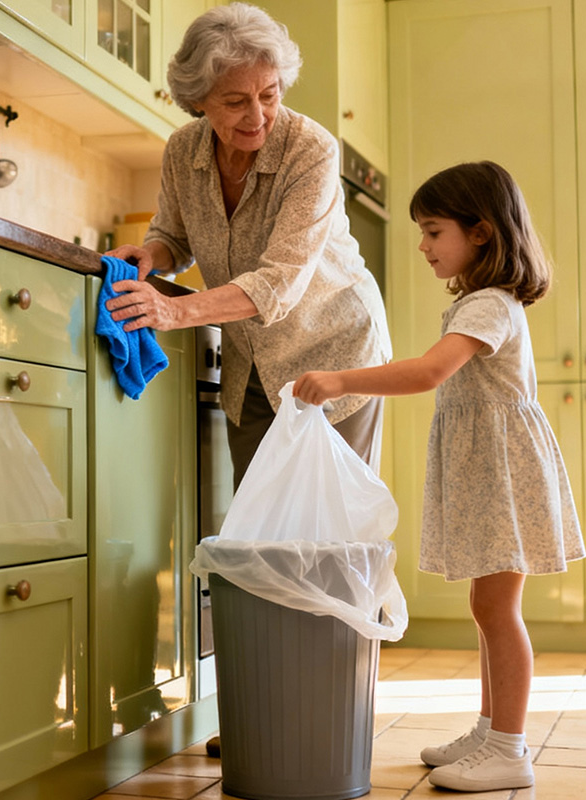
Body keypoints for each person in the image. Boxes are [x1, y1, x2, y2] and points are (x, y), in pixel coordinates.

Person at [294, 161, 586, 793]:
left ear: (480, 232)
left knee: (497, 608)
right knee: (487, 605)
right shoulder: (479, 302)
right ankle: (491, 730)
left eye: (433, 232)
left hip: (503, 471)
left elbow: (429, 372)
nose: (423, 246)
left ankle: (509, 748)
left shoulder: (488, 304)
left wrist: (340, 379)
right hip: (490, 469)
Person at [105, 2, 391, 491]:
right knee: (257, 523)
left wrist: (174, 311)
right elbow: (173, 236)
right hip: (252, 365)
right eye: (236, 101)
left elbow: (280, 282)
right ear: (199, 99)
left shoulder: (312, 150)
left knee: (331, 520)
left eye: (269, 94)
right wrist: (154, 255)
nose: (257, 115)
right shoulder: (183, 151)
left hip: (336, 352)